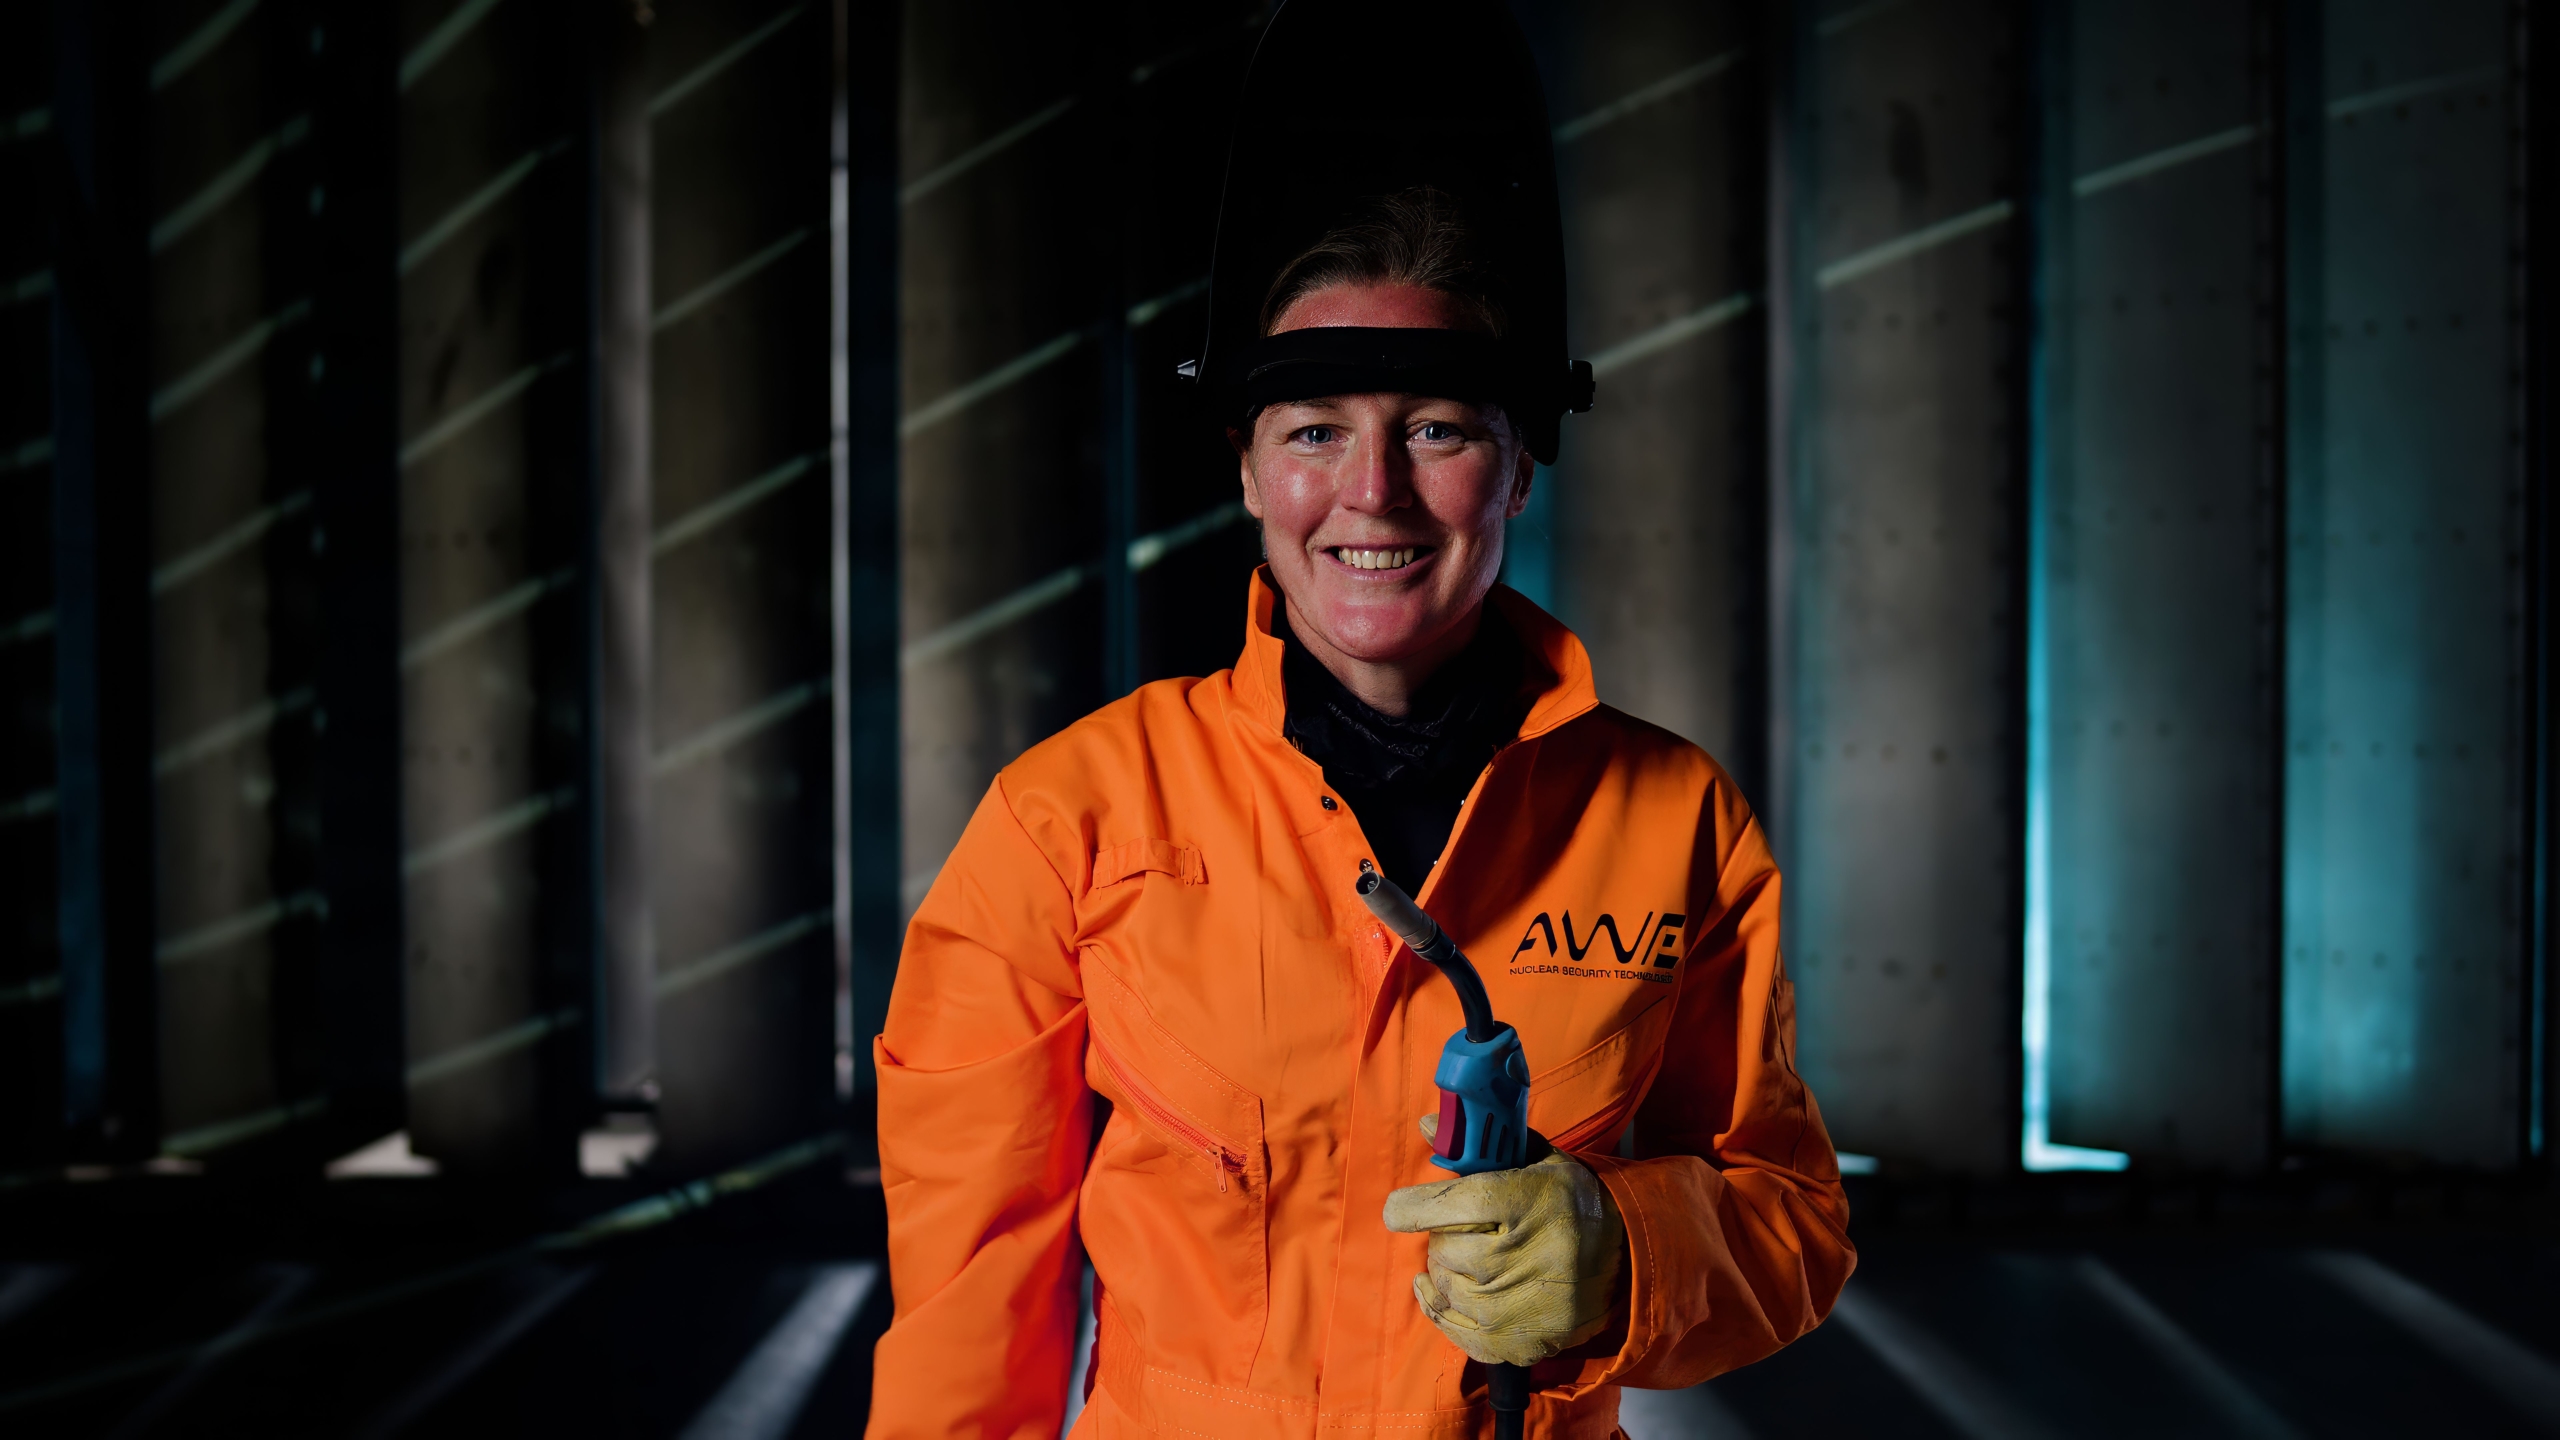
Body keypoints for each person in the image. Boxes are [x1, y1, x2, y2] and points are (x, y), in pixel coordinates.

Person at [866, 4, 1851, 1435]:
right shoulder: (1070, 821)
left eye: (1439, 430)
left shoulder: (1673, 822)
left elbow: (1791, 1216)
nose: (1373, 494)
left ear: (1519, 467)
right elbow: (967, 1306)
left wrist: (1624, 1250)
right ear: (1250, 474)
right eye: (1315, 433)